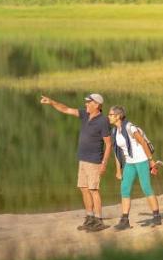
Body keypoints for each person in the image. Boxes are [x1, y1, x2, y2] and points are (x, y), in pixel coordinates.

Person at [40, 92, 113, 231]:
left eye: (89, 102)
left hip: (94, 161)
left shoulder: (103, 121)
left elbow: (108, 144)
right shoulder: (85, 115)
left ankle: (99, 220)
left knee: (93, 190)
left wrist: (104, 163)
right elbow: (66, 109)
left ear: (97, 105)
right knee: (83, 188)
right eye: (86, 102)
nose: (86, 104)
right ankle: (90, 217)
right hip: (83, 159)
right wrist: (52, 102)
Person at [106, 106, 163, 230]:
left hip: (141, 160)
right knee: (124, 189)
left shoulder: (130, 127)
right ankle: (125, 220)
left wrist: (151, 161)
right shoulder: (115, 131)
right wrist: (118, 170)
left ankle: (156, 216)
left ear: (118, 116)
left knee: (146, 187)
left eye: (110, 114)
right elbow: (117, 152)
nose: (108, 116)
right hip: (129, 163)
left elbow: (142, 142)